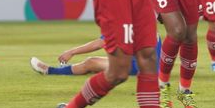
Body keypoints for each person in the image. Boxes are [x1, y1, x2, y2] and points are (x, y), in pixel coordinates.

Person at [30, 34, 162, 76]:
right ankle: (66, 68)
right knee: (97, 64)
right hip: (149, 64)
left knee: (91, 62)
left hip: (140, 66)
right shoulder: (142, 15)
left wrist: (71, 51)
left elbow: (100, 44)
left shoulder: (123, 16)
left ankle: (50, 71)